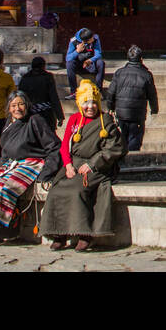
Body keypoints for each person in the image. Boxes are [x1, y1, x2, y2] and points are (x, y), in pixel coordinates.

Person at [40, 80, 127, 252]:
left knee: (78, 190)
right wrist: (68, 165)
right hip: (74, 165)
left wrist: (93, 164)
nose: (90, 107)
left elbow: (116, 147)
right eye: (86, 103)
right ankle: (59, 234)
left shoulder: (106, 121)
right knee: (56, 190)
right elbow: (65, 146)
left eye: (94, 102)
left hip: (98, 166)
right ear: (80, 103)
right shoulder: (74, 119)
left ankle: (84, 234)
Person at [0, 92, 61, 247]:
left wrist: (48, 171)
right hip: (11, 165)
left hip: (31, 164)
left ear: (27, 106)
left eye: (21, 104)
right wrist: (1, 169)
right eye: (13, 105)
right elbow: (5, 148)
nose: (17, 108)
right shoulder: (9, 123)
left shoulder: (35, 120)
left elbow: (54, 146)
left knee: (2, 189)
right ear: (9, 108)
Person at [109, 46, 159, 152]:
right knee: (134, 140)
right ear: (141, 59)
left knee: (122, 138)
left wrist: (110, 107)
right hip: (137, 114)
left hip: (121, 113)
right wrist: (154, 109)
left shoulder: (119, 73)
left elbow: (111, 92)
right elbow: (152, 95)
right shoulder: (146, 74)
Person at [17, 56, 64, 127]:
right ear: (43, 66)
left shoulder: (25, 78)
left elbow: (20, 97)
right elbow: (54, 97)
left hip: (30, 115)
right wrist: (60, 116)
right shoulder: (48, 77)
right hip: (46, 115)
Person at [65, 28, 105, 95]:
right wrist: (77, 51)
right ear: (86, 41)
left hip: (90, 65)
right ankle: (73, 92)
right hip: (79, 65)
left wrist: (90, 60)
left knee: (101, 63)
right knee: (69, 64)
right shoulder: (73, 41)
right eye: (91, 39)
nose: (93, 39)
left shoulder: (95, 38)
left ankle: (99, 90)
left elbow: (99, 54)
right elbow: (68, 58)